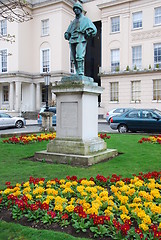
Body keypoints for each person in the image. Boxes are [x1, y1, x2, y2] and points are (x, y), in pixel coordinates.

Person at [64, 2, 97, 75]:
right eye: (74, 9)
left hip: (80, 39)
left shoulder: (86, 20)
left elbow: (94, 30)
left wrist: (87, 33)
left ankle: (81, 72)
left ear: (80, 9)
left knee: (79, 56)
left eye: (77, 8)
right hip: (72, 40)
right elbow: (68, 31)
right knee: (73, 57)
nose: (75, 10)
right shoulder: (73, 22)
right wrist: (66, 34)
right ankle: (77, 71)